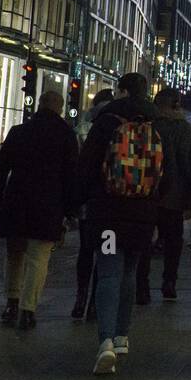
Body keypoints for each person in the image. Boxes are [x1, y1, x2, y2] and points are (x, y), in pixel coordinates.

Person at [77, 72, 161, 374]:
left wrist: (79, 202)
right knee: (130, 271)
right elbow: (169, 170)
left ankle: (106, 341)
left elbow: (86, 165)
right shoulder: (156, 122)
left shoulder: (106, 121)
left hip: (108, 210)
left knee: (109, 271)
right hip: (143, 212)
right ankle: (123, 335)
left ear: (122, 91)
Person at [0, 90, 79, 330]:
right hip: (48, 205)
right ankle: (28, 310)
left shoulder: (18, 132)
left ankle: (11, 302)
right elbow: (71, 176)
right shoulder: (66, 136)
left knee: (14, 255)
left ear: (39, 105)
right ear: (60, 108)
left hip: (16, 201)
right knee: (39, 258)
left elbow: (1, 169)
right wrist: (70, 211)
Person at [137, 87, 191, 302]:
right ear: (176, 104)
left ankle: (141, 286)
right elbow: (187, 162)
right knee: (173, 240)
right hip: (174, 194)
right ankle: (169, 281)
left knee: (144, 240)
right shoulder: (183, 128)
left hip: (147, 192)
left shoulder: (147, 125)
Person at [72, 88, 114, 320]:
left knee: (86, 250)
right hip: (112, 201)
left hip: (89, 201)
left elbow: (80, 168)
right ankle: (96, 305)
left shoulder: (84, 128)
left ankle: (80, 296)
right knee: (106, 253)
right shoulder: (121, 126)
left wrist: (75, 201)